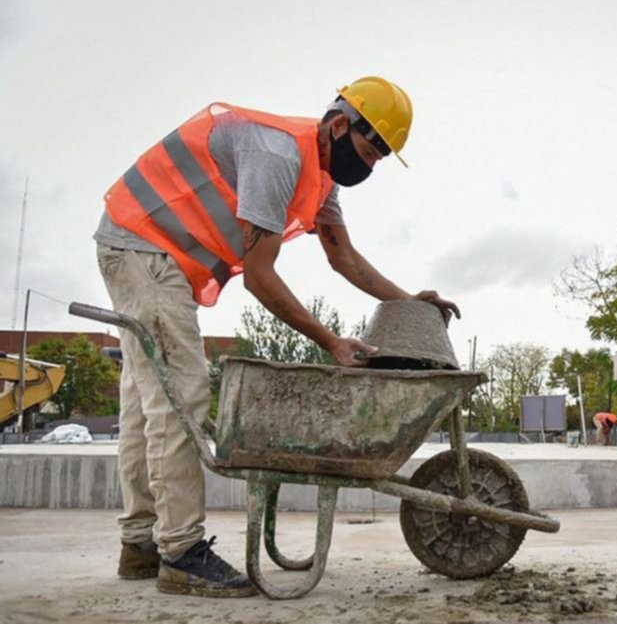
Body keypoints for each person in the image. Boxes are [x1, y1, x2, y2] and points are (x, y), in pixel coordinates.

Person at [93, 77, 458, 598]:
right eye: (371, 149)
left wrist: (409, 303)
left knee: (145, 402)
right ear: (339, 125)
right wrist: (331, 341)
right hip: (144, 247)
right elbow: (261, 276)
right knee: (181, 396)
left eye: (382, 157)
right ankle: (180, 551)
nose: (372, 165)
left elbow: (344, 258)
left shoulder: (320, 178)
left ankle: (140, 545)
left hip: (139, 244)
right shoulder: (276, 155)